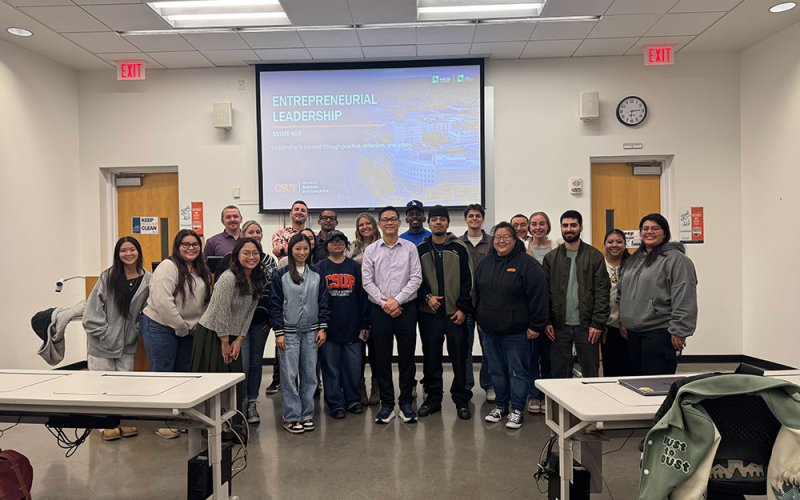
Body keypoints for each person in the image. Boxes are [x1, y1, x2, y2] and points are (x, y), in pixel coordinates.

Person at [474, 222, 548, 430]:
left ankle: (516, 410)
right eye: (497, 237)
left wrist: (536, 325)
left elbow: (539, 297)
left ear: (515, 239)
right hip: (489, 331)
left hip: (517, 333)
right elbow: (477, 294)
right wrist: (480, 318)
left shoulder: (528, 264)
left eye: (506, 236)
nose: (501, 240)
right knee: (496, 371)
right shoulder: (485, 263)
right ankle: (501, 406)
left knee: (518, 372)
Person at [140, 229, 211, 439]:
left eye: (195, 244)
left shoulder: (201, 269)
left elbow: (206, 301)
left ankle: (178, 417)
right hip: (161, 326)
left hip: (189, 329)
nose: (191, 248)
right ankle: (162, 421)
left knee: (183, 374)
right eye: (186, 244)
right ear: (177, 246)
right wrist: (181, 327)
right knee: (163, 373)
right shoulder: (168, 267)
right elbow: (163, 301)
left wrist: (196, 325)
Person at [191, 237, 265, 436]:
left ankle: (231, 426)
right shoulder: (228, 277)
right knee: (215, 382)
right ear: (237, 256)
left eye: (255, 253)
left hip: (233, 335)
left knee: (233, 383)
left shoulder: (257, 278)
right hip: (213, 334)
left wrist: (240, 339)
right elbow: (221, 310)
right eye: (246, 253)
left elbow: (249, 312)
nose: (251, 257)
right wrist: (225, 341)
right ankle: (211, 428)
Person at [83, 236, 151, 441]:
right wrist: (104, 332)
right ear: (118, 254)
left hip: (127, 342)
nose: (128, 254)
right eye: (124, 250)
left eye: (132, 249)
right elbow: (93, 309)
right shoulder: (108, 277)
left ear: (138, 252)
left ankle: (122, 420)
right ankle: (105, 423)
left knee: (124, 384)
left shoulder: (148, 279)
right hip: (102, 341)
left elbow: (147, 309)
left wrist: (137, 329)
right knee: (103, 385)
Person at [362, 206, 423, 424]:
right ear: (380, 224)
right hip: (379, 311)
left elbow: (416, 278)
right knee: (382, 358)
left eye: (393, 219)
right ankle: (387, 405)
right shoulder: (371, 250)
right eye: (385, 219)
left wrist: (396, 301)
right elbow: (367, 281)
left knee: (407, 357)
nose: (389, 223)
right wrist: (385, 303)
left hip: (405, 309)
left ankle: (406, 403)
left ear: (399, 223)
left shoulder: (410, 248)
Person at [215, 220, 279, 424]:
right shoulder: (228, 261)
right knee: (241, 364)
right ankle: (238, 405)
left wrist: (271, 319)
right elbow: (220, 299)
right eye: (251, 231)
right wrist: (226, 337)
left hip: (259, 322)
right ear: (241, 234)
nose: (255, 234)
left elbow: (272, 293)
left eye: (259, 231)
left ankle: (252, 403)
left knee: (256, 363)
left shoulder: (267, 262)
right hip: (235, 324)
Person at [619, 214, 698, 376]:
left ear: (665, 233)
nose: (649, 232)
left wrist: (680, 330)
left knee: (655, 384)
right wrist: (623, 320)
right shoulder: (634, 259)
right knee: (636, 383)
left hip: (659, 332)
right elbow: (622, 291)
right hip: (633, 333)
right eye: (645, 228)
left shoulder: (677, 260)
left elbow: (684, 295)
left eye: (655, 228)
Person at [269, 233, 329, 434]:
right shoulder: (281, 274)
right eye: (298, 249)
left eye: (305, 249)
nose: (302, 252)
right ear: (291, 250)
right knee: (289, 375)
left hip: (312, 332)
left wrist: (322, 327)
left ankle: (307, 414)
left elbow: (323, 303)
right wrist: (279, 332)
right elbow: (275, 304)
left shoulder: (317, 273)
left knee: (310, 375)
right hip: (289, 333)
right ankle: (291, 416)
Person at [417, 206, 473, 420]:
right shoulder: (420, 249)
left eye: (442, 219)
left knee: (459, 359)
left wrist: (463, 308)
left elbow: (469, 281)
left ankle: (461, 400)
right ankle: (433, 399)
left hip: (455, 315)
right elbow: (415, 280)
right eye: (434, 219)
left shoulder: (459, 248)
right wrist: (426, 298)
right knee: (431, 359)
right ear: (428, 224)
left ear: (448, 223)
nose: (438, 223)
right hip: (429, 315)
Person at [542, 210, 610, 384]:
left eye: (573, 225)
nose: (569, 229)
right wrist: (547, 321)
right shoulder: (551, 258)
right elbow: (545, 292)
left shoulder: (594, 256)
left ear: (581, 227)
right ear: (561, 228)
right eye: (565, 225)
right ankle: (560, 410)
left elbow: (602, 291)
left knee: (591, 373)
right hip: (558, 326)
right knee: (559, 375)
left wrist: (597, 323)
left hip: (587, 327)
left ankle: (591, 409)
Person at [317, 230, 370, 418]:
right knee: (330, 368)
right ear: (327, 245)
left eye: (341, 241)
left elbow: (363, 297)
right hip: (329, 328)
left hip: (353, 327)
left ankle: (352, 399)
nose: (337, 244)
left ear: (346, 245)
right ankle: (335, 402)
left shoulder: (355, 267)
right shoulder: (320, 268)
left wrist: (365, 325)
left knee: (353, 367)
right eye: (333, 241)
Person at [526, 211, 560, 412]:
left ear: (548, 226)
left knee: (549, 356)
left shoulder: (557, 247)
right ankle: (533, 395)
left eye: (542, 224)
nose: (538, 227)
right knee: (530, 357)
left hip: (552, 309)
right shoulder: (522, 247)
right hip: (529, 310)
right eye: (534, 224)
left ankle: (547, 395)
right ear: (529, 227)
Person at [348, 212, 382, 405]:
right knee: (358, 348)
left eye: (368, 223)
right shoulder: (351, 248)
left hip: (377, 303)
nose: (365, 227)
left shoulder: (383, 244)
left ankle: (376, 386)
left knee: (376, 349)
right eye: (361, 224)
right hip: (356, 304)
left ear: (374, 225)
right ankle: (359, 386)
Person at [460, 204, 493, 401]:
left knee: (488, 348)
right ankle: (465, 385)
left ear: (482, 219)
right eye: (471, 216)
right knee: (465, 348)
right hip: (465, 305)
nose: (474, 219)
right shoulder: (456, 243)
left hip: (486, 306)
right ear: (465, 219)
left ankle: (489, 385)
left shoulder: (492, 242)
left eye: (478, 216)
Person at [602, 229, 632, 377]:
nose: (615, 245)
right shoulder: (599, 264)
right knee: (610, 367)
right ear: (604, 244)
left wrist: (625, 321)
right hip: (607, 325)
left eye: (619, 242)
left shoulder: (633, 264)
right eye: (610, 242)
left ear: (625, 245)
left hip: (629, 324)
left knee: (629, 366)